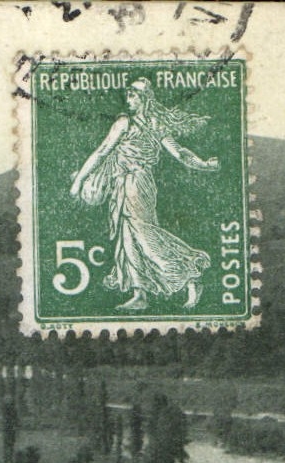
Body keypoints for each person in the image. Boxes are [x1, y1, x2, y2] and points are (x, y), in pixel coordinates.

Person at [70, 78, 219, 311]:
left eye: (132, 96)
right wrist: (80, 179)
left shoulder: (141, 124)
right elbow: (102, 152)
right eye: (127, 95)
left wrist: (202, 164)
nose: (128, 100)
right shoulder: (133, 122)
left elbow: (178, 153)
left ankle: (189, 273)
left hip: (137, 183)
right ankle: (140, 294)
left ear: (144, 99)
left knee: (143, 234)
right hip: (124, 182)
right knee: (128, 236)